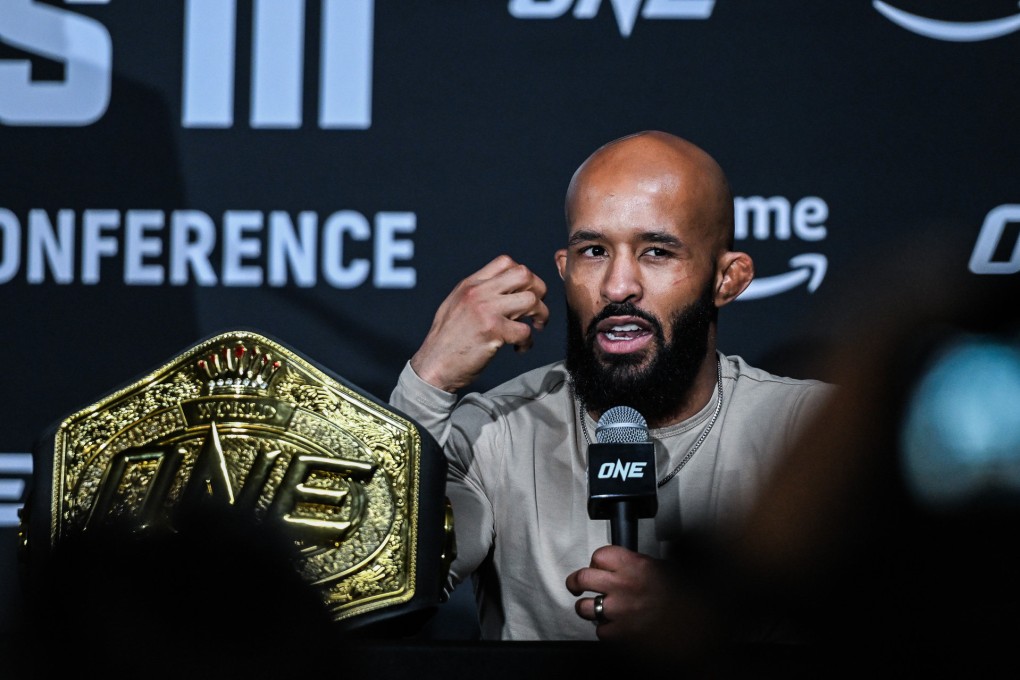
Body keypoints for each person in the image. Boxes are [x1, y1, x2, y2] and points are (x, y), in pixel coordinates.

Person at [388, 130, 835, 644]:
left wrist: (705, 619)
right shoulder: (496, 432)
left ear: (727, 279)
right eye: (595, 251)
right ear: (565, 268)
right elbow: (382, 590)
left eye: (657, 252)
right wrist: (429, 379)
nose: (617, 286)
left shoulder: (814, 432)